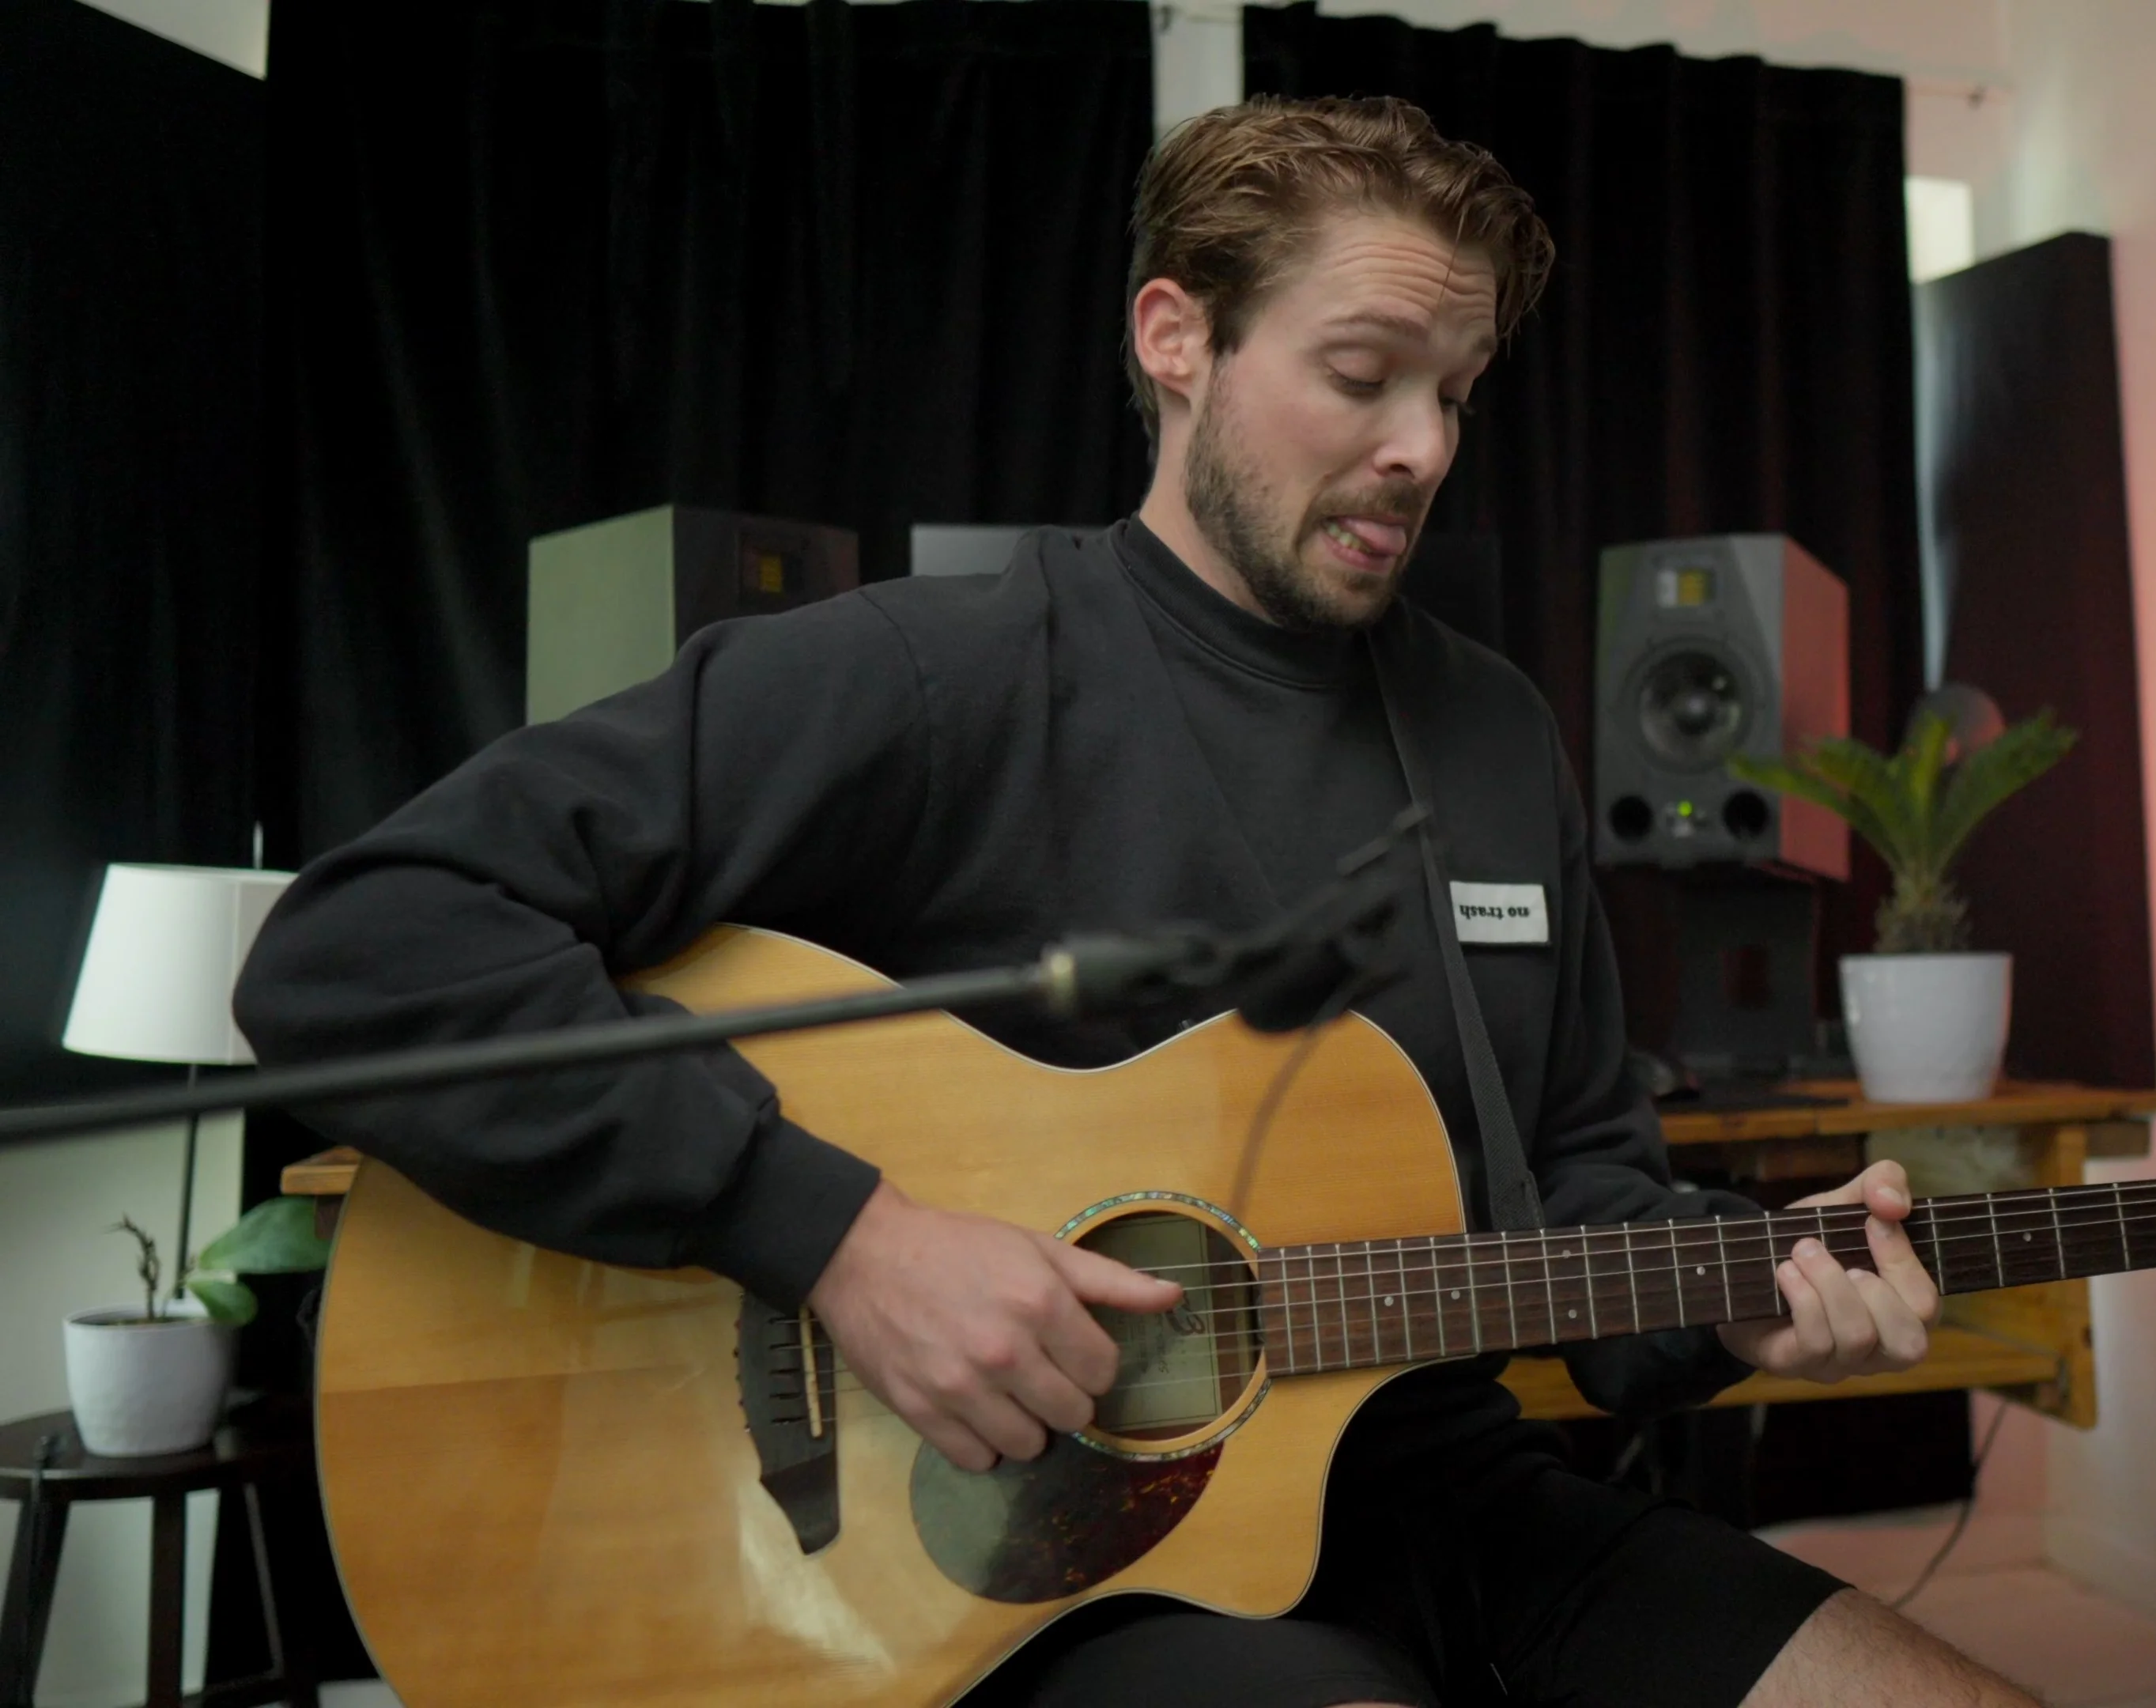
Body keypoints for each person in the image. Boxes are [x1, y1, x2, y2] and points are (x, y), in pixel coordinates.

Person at [236, 95, 2033, 1708]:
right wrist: (837, 1235)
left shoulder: (1492, 733)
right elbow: (366, 945)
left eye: (1457, 393)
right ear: (1177, 336)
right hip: (1045, 1578)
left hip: (1447, 1500)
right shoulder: (936, 681)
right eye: (1363, 371)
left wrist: (1731, 1306)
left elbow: (1583, 1188)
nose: (1422, 444)